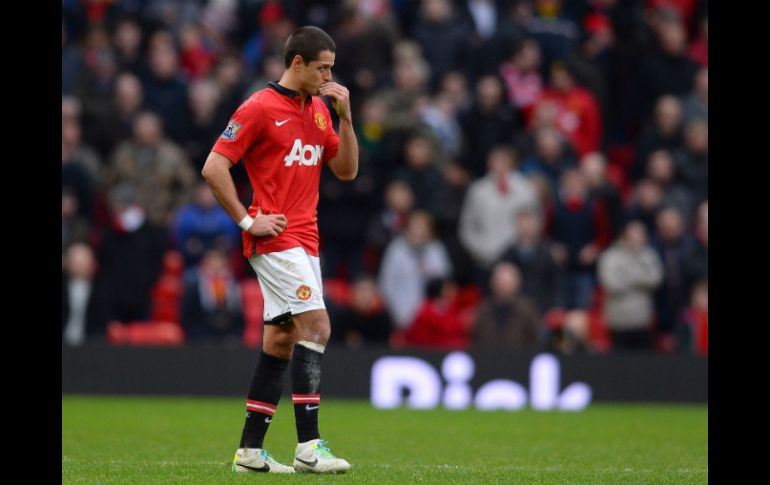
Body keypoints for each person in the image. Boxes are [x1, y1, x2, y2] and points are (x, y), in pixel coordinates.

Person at [201, 26, 356, 474]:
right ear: (297, 63)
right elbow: (214, 167)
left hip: (307, 240)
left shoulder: (320, 111)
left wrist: (346, 119)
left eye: (332, 68)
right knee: (317, 325)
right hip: (275, 238)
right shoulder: (259, 107)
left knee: (282, 338)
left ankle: (249, 453)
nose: (329, 76)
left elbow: (346, 171)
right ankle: (309, 447)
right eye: (323, 68)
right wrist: (248, 220)